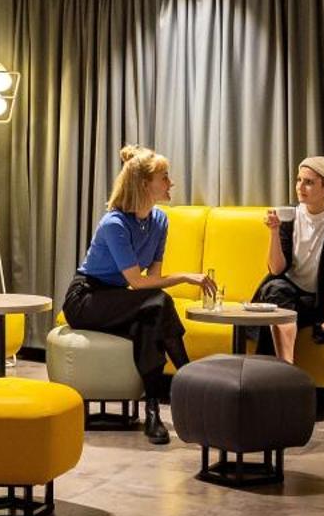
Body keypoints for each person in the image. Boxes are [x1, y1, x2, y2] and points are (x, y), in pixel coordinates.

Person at [61, 145, 217, 445]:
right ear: (145, 184)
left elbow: (152, 281)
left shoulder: (160, 221)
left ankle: (153, 412)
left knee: (151, 319)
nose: (171, 183)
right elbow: (136, 281)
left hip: (120, 299)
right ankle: (190, 383)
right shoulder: (115, 224)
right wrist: (187, 276)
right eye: (164, 177)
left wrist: (166, 285)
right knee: (159, 303)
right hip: (86, 299)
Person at [253, 156, 324, 364]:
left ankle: (277, 373)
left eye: (308, 182)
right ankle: (286, 368)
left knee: (277, 301)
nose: (300, 187)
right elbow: (276, 269)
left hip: (318, 299)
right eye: (299, 180)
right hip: (286, 293)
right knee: (276, 290)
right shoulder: (289, 213)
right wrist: (274, 232)